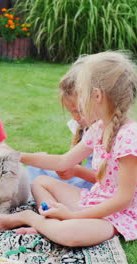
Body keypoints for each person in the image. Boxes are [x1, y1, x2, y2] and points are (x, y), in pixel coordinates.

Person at [0, 51, 137, 247]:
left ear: (97, 96)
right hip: (97, 202)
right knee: (41, 182)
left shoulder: (131, 137)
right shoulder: (99, 128)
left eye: (82, 93)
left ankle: (33, 219)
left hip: (120, 215)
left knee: (69, 236)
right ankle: (52, 225)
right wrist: (16, 155)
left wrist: (73, 215)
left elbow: (123, 199)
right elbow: (62, 162)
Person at [26, 58, 94, 190]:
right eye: (71, 112)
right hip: (80, 179)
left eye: (79, 111)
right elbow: (67, 161)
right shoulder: (86, 127)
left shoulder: (107, 133)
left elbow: (107, 180)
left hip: (91, 187)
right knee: (36, 167)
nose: (75, 118)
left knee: (40, 180)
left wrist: (75, 171)